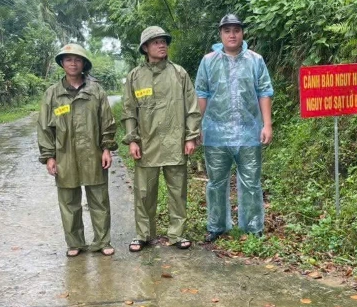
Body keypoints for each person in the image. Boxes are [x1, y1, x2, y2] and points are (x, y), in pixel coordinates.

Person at [195, 14, 273, 242]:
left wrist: (267, 124)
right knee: (216, 182)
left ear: (242, 33)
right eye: (227, 30)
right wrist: (197, 126)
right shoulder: (208, 61)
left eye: (236, 30)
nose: (232, 34)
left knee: (251, 181)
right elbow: (202, 93)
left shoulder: (255, 60)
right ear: (220, 34)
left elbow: (264, 91)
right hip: (215, 134)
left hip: (249, 132)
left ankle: (253, 226)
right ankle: (216, 226)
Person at [122, 26, 201, 251]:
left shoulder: (179, 73)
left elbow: (192, 107)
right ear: (145, 48)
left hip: (175, 142)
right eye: (155, 42)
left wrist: (190, 136)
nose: (162, 44)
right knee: (144, 193)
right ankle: (143, 234)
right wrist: (133, 140)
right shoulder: (135, 77)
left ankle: (177, 234)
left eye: (164, 41)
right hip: (147, 144)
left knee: (178, 192)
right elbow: (129, 111)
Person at [38, 43, 117, 257]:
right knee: (69, 201)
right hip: (65, 155)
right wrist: (49, 157)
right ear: (62, 63)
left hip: (93, 152)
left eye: (77, 59)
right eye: (68, 59)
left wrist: (106, 148)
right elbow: (45, 126)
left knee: (99, 199)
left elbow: (107, 122)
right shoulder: (52, 94)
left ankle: (102, 241)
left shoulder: (96, 91)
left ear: (84, 64)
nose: (73, 63)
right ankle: (75, 243)